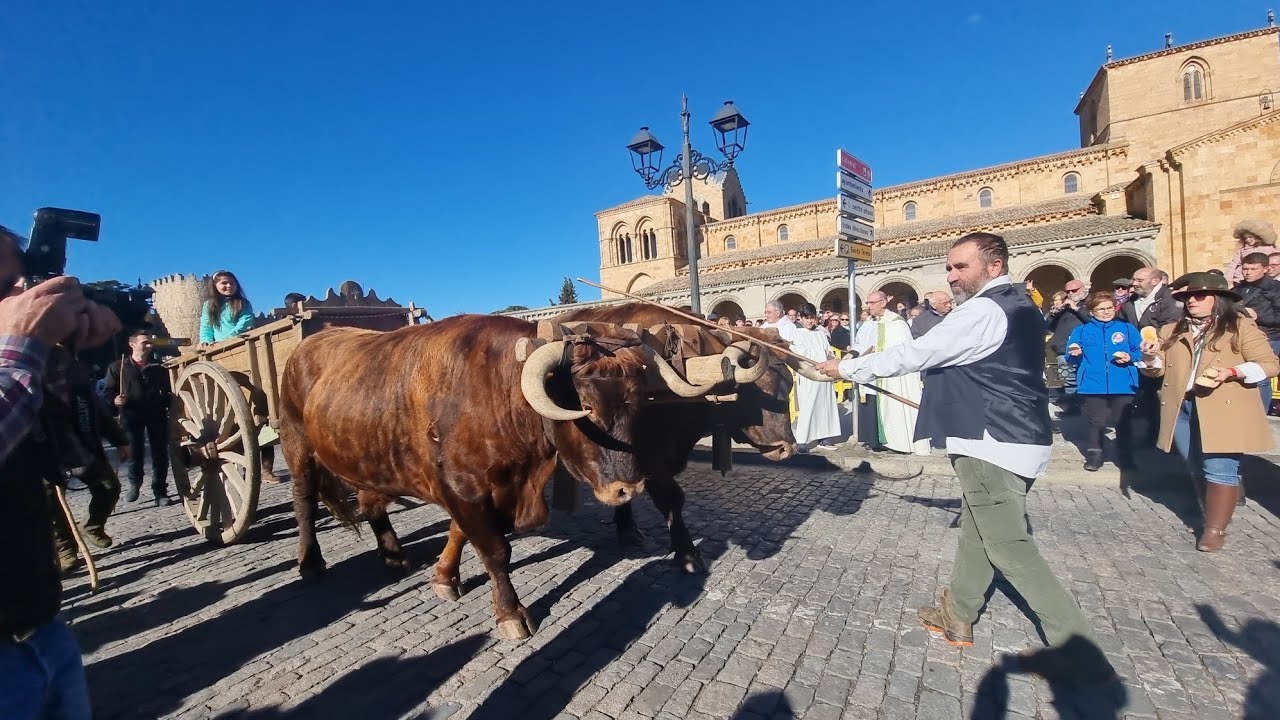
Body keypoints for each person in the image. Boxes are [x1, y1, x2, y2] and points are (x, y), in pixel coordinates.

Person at [816, 232, 1115, 686]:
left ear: (994, 266)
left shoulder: (985, 309)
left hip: (992, 441)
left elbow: (919, 352)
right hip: (1012, 436)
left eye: (961, 267)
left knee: (1010, 546)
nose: (952, 276)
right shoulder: (1018, 302)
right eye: (949, 267)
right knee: (980, 534)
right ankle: (957, 612)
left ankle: (1080, 651)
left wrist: (848, 367)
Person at [1, 225, 121, 719]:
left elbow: (65, 440)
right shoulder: (16, 351)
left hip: (40, 626)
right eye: (6, 283)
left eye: (21, 281)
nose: (22, 293)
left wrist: (76, 342)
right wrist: (23, 341)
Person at [1138, 272, 1279, 552]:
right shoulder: (1171, 330)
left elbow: (1270, 364)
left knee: (1221, 468)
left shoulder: (1240, 326)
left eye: (1199, 296)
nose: (1192, 301)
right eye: (1187, 296)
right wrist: (1149, 355)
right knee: (1194, 465)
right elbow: (1159, 369)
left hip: (1222, 406)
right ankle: (1207, 513)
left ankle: (1215, 530)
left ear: (1219, 299)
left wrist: (1231, 372)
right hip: (1183, 406)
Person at [1066, 292, 1142, 471]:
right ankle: (1095, 455)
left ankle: (1125, 457)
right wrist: (1074, 354)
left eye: (1110, 308)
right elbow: (1070, 355)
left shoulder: (1127, 328)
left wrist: (1130, 356)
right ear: (1092, 311)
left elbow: (1140, 351)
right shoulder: (1082, 331)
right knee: (1096, 421)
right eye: (1101, 309)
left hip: (1123, 383)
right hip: (1092, 384)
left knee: (1122, 421)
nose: (1107, 312)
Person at [850, 291, 929, 455]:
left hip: (890, 374)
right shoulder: (869, 324)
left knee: (892, 406)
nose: (868, 306)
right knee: (872, 404)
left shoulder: (896, 323)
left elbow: (900, 351)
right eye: (868, 303)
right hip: (871, 370)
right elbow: (860, 344)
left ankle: (898, 441)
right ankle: (875, 439)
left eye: (872, 303)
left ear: (883, 302)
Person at [104, 329, 174, 506]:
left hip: (156, 412)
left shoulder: (159, 367)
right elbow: (107, 393)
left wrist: (169, 400)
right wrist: (115, 400)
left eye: (150, 342)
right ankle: (135, 483)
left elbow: (168, 389)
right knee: (135, 453)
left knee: (160, 453)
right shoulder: (118, 367)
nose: (149, 345)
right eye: (145, 342)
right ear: (132, 344)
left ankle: (160, 491)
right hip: (131, 414)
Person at [1122, 267, 1183, 444]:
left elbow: (1171, 326)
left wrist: (1153, 340)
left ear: (1155, 281)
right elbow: (1122, 322)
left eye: (1139, 280)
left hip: (1164, 354)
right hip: (1140, 354)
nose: (1134, 284)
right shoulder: (1131, 301)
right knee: (1148, 396)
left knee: (1164, 396)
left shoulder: (1169, 299)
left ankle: (1171, 439)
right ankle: (1152, 435)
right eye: (1134, 280)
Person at [789, 304, 841, 451]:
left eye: (812, 318)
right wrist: (822, 356)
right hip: (809, 375)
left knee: (825, 405)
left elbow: (828, 351)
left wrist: (830, 357)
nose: (809, 321)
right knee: (809, 405)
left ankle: (825, 436)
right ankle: (802, 440)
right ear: (801, 318)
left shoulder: (820, 334)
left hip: (824, 373)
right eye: (806, 318)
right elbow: (801, 354)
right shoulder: (798, 334)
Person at [1232, 252, 1280, 410]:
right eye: (1245, 269)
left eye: (1253, 269)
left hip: (1269, 336)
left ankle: (1261, 414)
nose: (1248, 272)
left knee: (1261, 376)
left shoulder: (1275, 288)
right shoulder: (1239, 288)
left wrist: (1258, 315)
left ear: (1265, 269)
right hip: (1240, 335)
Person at [1047, 279, 1091, 413]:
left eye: (1074, 290)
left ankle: (1088, 405)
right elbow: (1049, 326)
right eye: (1068, 291)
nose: (1071, 293)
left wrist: (1076, 308)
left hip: (1084, 348)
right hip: (1063, 348)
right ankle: (1073, 407)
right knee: (1068, 380)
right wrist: (1054, 314)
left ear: (1083, 289)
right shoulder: (1064, 307)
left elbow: (1092, 320)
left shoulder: (1090, 303)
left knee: (1085, 377)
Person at [199, 270, 255, 345]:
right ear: (214, 285)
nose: (229, 286)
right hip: (217, 349)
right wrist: (205, 342)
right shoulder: (208, 306)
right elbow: (206, 327)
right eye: (224, 283)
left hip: (240, 344)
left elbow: (244, 324)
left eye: (232, 283)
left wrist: (225, 341)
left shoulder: (243, 303)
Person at [1225, 219, 1280, 284]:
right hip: (1241, 280)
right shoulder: (1242, 250)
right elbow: (1233, 265)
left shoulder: (1270, 248)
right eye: (1245, 238)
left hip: (1262, 281)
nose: (1248, 240)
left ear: (1258, 237)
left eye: (1250, 237)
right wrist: (1227, 280)